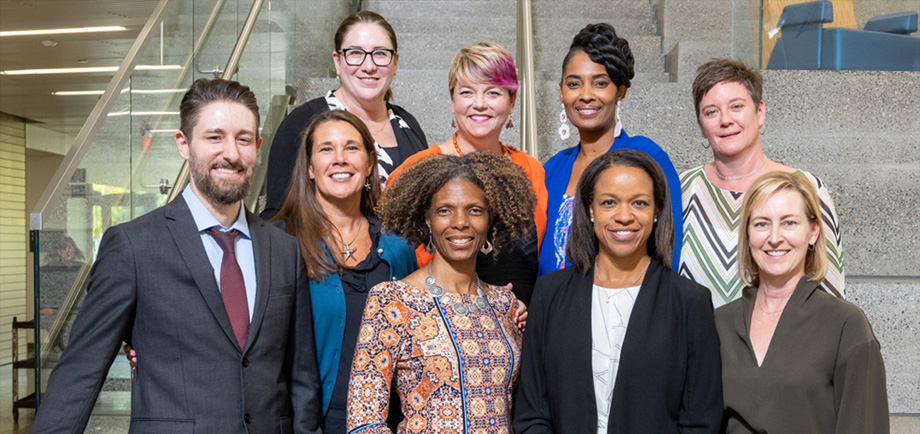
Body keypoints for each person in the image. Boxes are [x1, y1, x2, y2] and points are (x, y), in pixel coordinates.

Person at [32, 79, 321, 434]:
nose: (231, 153)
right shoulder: (133, 246)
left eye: (243, 139)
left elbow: (302, 377)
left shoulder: (283, 249)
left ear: (257, 147)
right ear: (184, 145)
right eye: (214, 137)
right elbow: (81, 369)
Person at [515, 149, 722, 434]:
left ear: (657, 210)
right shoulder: (550, 293)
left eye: (639, 203)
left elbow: (701, 421)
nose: (624, 216)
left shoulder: (689, 302)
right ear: (590, 209)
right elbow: (532, 412)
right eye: (609, 202)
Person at [346, 152, 534, 433]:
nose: (460, 222)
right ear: (427, 220)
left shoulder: (505, 304)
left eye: (474, 210)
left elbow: (527, 407)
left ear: (490, 220)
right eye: (445, 210)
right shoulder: (392, 301)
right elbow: (364, 420)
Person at [273, 109, 418, 433]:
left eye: (351, 148)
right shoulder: (281, 243)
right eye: (326, 149)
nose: (340, 159)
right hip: (312, 425)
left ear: (369, 165)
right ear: (310, 168)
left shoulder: (398, 247)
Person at [716, 171, 888, 433]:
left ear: (813, 232)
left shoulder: (845, 325)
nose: (774, 237)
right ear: (748, 235)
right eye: (761, 224)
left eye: (789, 223)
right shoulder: (718, 323)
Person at [388, 41, 547, 305]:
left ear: (511, 102)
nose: (480, 104)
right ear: (452, 101)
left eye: (493, 92)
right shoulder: (417, 171)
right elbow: (397, 262)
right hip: (437, 322)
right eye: (467, 92)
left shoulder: (531, 170)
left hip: (519, 328)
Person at [680, 58, 844, 307]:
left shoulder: (806, 187)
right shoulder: (681, 188)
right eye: (711, 111)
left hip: (784, 343)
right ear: (701, 126)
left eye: (736, 106)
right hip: (693, 343)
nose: (725, 120)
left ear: (760, 112)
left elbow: (831, 292)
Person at [541, 23, 683, 276]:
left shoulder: (645, 156)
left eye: (600, 83)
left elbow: (667, 245)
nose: (585, 95)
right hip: (555, 309)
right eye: (574, 84)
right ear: (561, 93)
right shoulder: (552, 169)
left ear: (621, 92)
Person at [261, 11, 427, 219]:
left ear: (395, 63)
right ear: (337, 62)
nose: (369, 66)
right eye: (356, 53)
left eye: (380, 53)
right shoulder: (303, 123)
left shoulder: (407, 124)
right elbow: (277, 217)